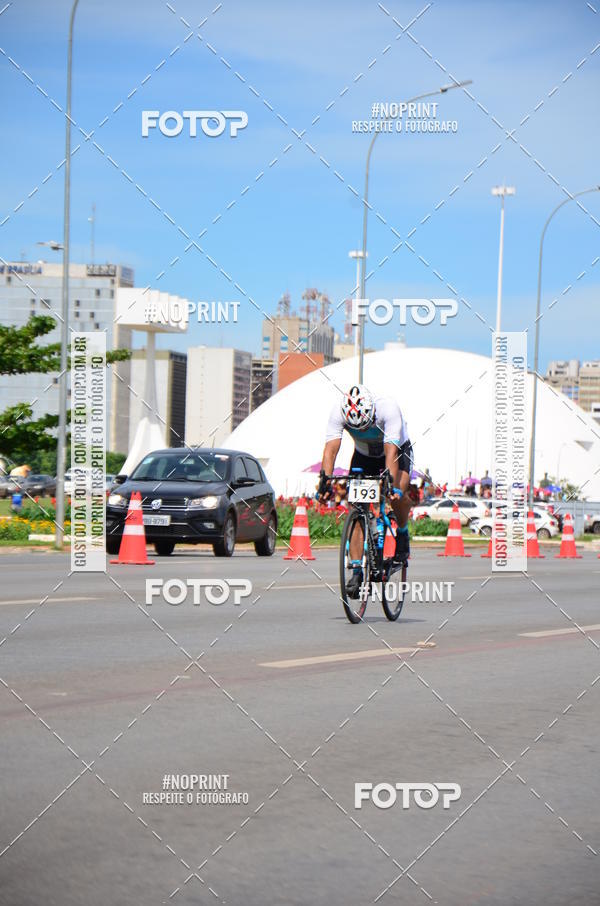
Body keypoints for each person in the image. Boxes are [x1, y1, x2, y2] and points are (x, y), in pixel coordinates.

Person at [317, 385, 415, 597]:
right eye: (356, 429)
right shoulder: (338, 411)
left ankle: (403, 533)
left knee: (397, 493)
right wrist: (325, 483)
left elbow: (391, 454)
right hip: (364, 455)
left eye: (365, 426)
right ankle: (356, 570)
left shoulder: (388, 408)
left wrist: (391, 485)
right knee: (356, 509)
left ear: (372, 413)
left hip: (396, 451)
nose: (361, 431)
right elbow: (330, 450)